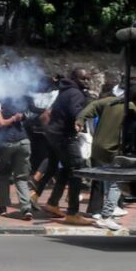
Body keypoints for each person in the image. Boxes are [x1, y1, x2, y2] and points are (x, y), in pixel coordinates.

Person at [78, 82, 136, 230]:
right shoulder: (131, 108)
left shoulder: (110, 101)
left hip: (97, 147)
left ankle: (108, 210)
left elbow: (92, 106)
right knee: (117, 183)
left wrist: (80, 120)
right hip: (111, 150)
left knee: (109, 181)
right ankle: (107, 216)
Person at [33, 68, 93, 223]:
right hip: (65, 136)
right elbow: (76, 113)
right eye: (83, 79)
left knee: (64, 169)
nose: (86, 82)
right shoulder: (76, 93)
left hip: (53, 133)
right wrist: (85, 115)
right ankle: (73, 213)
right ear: (75, 78)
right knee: (77, 170)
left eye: (88, 79)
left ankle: (52, 203)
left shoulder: (65, 90)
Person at [0, 96, 34, 220]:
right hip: (24, 141)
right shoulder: (20, 100)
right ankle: (26, 208)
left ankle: (3, 207)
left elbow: (0, 123)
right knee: (21, 177)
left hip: (6, 143)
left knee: (1, 175)